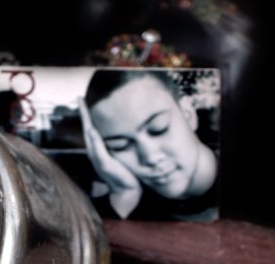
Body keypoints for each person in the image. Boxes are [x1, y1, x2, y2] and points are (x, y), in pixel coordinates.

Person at [78, 70, 218, 220]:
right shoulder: (115, 207)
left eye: (159, 129)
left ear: (188, 113)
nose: (150, 157)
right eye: (120, 145)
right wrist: (123, 193)